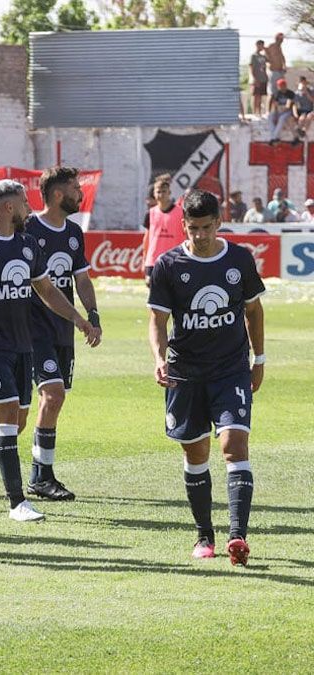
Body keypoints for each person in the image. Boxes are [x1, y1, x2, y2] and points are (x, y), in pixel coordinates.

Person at [0, 180, 99, 523]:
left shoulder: (25, 244)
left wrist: (79, 320)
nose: (28, 207)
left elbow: (47, 291)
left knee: (19, 421)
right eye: (24, 202)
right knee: (7, 417)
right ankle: (17, 502)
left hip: (23, 343)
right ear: (9, 207)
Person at [146, 188, 265, 566]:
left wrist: (258, 359)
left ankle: (237, 536)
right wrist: (159, 358)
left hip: (230, 368)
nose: (199, 235)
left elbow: (253, 311)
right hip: (185, 372)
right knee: (195, 453)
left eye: (207, 227)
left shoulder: (240, 260)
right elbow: (158, 320)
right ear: (183, 225)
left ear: (219, 222)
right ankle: (204, 535)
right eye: (193, 228)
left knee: (234, 445)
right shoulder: (168, 265)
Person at [24, 167, 102, 501]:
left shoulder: (72, 232)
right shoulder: (27, 228)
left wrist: (93, 315)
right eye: (75, 188)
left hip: (62, 330)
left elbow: (81, 279)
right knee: (52, 396)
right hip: (31, 329)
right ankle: (42, 477)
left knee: (44, 403)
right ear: (58, 194)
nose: (80, 194)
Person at [143, 174, 185, 285]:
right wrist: (144, 259)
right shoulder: (150, 213)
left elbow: (187, 235)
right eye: (158, 191)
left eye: (164, 191)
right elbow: (146, 238)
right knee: (152, 292)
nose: (161, 194)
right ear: (154, 193)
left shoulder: (181, 212)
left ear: (169, 193)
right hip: (153, 260)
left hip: (175, 259)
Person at [268, 78, 297, 143]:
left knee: (281, 118)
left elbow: (288, 106)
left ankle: (273, 137)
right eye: (279, 86)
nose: (280, 87)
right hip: (279, 110)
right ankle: (274, 136)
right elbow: (275, 105)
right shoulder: (277, 93)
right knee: (270, 117)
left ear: (285, 85)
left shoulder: (290, 93)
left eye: (282, 85)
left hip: (288, 111)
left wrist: (281, 109)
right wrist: (276, 113)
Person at [249, 40, 268, 116]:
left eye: (263, 45)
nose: (262, 47)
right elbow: (251, 67)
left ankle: (259, 112)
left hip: (263, 78)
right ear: (257, 45)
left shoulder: (263, 56)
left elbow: (269, 60)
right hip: (257, 79)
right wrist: (255, 79)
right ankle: (254, 112)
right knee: (256, 96)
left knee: (261, 96)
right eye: (261, 45)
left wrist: (267, 50)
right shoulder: (253, 56)